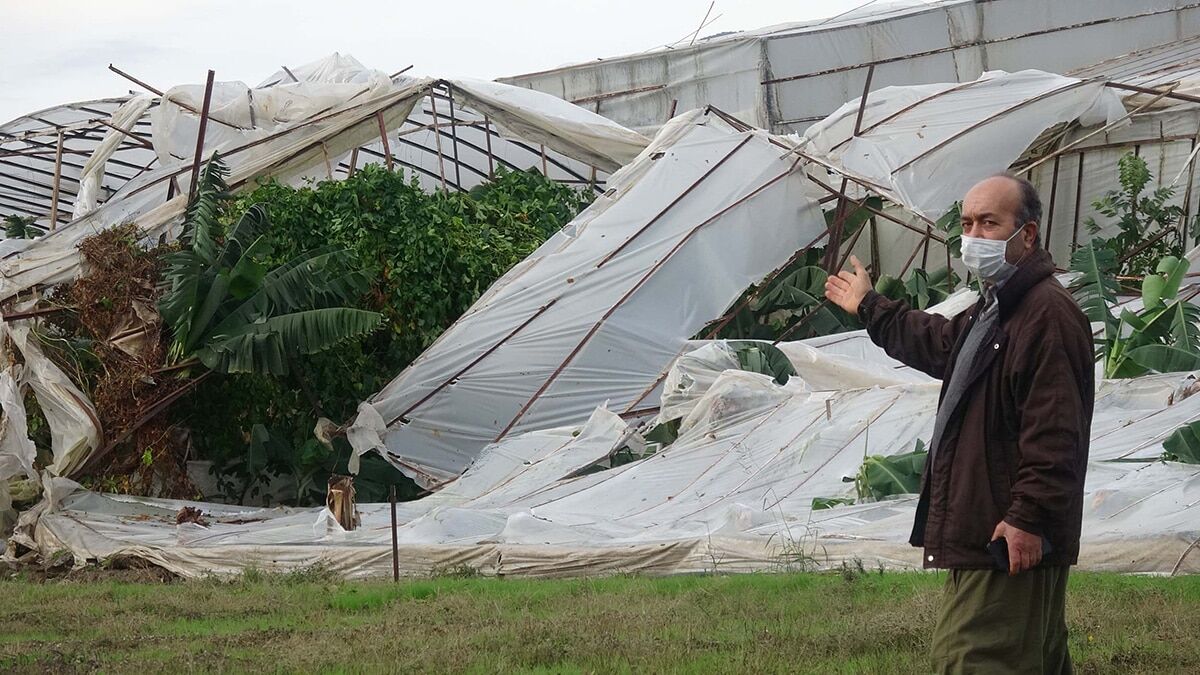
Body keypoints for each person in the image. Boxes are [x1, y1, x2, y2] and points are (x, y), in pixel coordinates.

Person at [824, 175, 1094, 674]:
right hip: (992, 526)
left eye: (990, 223)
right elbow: (940, 344)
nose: (973, 236)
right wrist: (869, 306)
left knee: (972, 659)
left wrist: (1026, 518)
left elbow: (1057, 434)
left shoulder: (1045, 316)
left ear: (1027, 235)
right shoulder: (996, 309)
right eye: (968, 223)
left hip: (1006, 531)